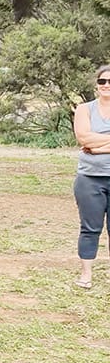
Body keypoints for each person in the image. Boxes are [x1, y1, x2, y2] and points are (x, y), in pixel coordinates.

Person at [71, 65, 110, 289]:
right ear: (97, 85)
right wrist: (92, 144)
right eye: (102, 81)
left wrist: (99, 146)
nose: (106, 85)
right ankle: (86, 275)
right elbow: (84, 139)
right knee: (90, 227)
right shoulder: (85, 109)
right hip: (90, 178)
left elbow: (92, 143)